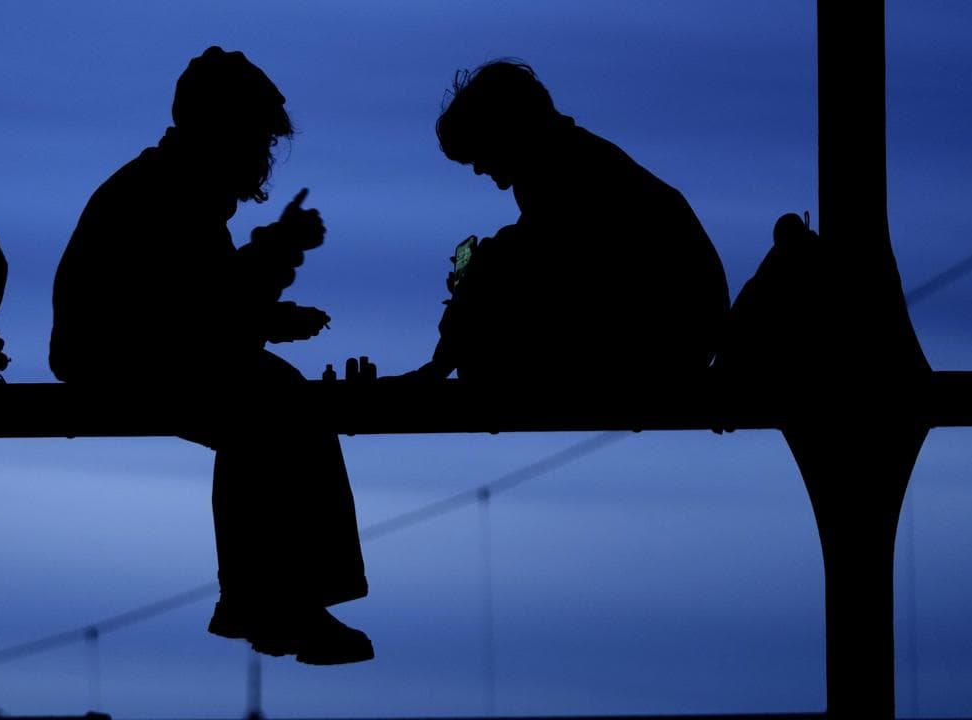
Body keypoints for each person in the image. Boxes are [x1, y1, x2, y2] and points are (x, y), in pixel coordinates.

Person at [50, 47, 372, 665]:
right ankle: (273, 600)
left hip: (130, 349)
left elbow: (201, 304)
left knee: (273, 399)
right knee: (270, 405)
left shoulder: (177, 186)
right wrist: (278, 254)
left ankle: (269, 599)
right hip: (114, 357)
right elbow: (199, 305)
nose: (264, 156)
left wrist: (269, 311)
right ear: (224, 130)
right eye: (258, 139)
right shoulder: (169, 192)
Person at [415, 61, 729, 383]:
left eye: (480, 157)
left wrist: (451, 345)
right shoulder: (578, 157)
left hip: (665, 341)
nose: (483, 172)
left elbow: (525, 260)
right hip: (678, 335)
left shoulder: (568, 170)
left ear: (505, 131)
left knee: (495, 280)